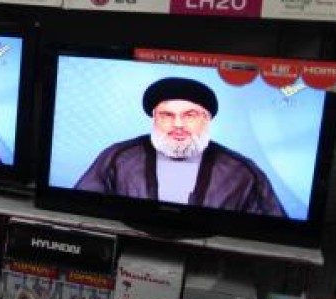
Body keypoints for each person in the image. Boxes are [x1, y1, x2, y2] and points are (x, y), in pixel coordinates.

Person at [75, 77, 286, 216]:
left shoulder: (242, 171)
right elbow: (80, 208)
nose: (178, 124)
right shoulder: (118, 157)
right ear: (154, 118)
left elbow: (271, 231)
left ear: (207, 119)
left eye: (190, 115)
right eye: (167, 115)